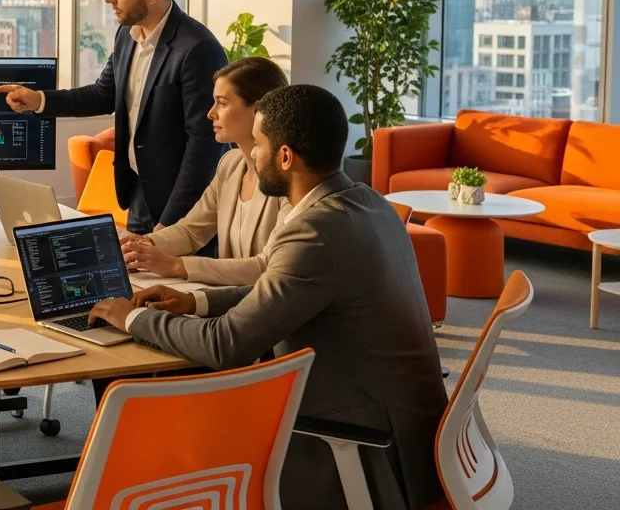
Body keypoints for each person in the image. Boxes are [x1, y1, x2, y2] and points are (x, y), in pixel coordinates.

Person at [88, 85, 447, 510]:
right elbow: (290, 290)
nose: (251, 156)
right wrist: (197, 302)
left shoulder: (313, 232)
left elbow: (227, 345)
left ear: (285, 157)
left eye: (257, 144)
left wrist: (131, 319)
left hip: (364, 447)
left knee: (171, 433)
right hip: (416, 434)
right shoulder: (367, 202)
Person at [0, 0, 225, 235]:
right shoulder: (126, 35)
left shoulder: (197, 49)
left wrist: (172, 225)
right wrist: (38, 100)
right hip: (139, 194)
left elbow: (204, 146)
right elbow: (104, 94)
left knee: (174, 283)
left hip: (180, 205)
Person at [120, 56, 290, 286]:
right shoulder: (230, 164)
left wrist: (174, 265)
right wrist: (141, 246)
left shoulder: (289, 178)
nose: (211, 113)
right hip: (227, 302)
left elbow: (269, 266)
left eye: (222, 103)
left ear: (259, 108)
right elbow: (191, 231)